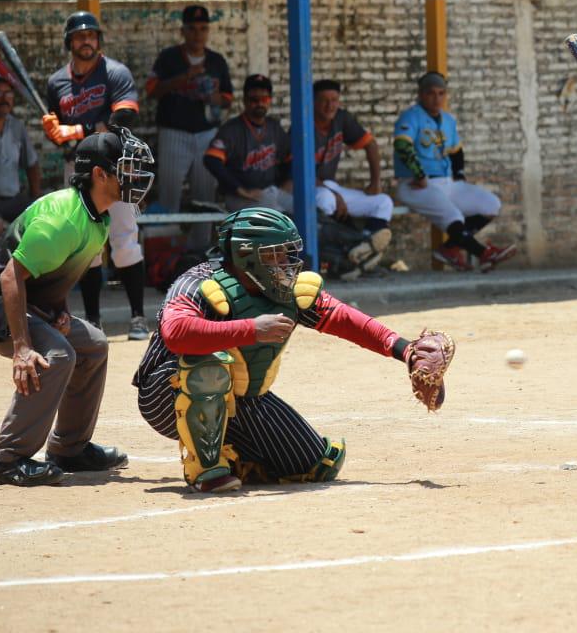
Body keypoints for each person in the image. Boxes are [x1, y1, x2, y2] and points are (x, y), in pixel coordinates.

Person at [132, 207, 451, 493]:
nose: (287, 262)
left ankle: (235, 457)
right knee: (210, 364)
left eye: (289, 252)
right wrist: (252, 330)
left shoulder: (283, 288)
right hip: (165, 391)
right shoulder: (198, 283)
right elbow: (177, 334)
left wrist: (405, 350)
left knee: (313, 465)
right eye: (277, 254)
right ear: (246, 255)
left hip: (239, 393)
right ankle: (207, 470)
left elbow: (341, 318)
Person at [0, 130, 154, 486]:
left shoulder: (99, 218)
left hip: (23, 297)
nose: (134, 178)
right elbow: (12, 277)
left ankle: (69, 449)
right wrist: (22, 347)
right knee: (57, 355)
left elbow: (58, 272)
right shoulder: (63, 218)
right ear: (99, 175)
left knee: (93, 344)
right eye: (126, 169)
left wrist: (58, 309)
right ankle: (6, 459)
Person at [43, 11, 152, 340]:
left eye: (91, 35)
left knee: (124, 239)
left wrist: (75, 128)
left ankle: (137, 317)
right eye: (79, 36)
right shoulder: (56, 83)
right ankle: (92, 319)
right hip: (77, 167)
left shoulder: (115, 72)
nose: (86, 41)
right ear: (69, 42)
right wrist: (53, 132)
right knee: (85, 245)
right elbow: (59, 128)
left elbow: (123, 116)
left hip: (116, 165)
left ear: (98, 40)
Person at [393, 72, 515, 272]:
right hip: (415, 184)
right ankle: (484, 253)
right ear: (421, 94)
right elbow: (402, 146)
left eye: (441, 93)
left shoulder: (447, 120)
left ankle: (450, 249)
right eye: (431, 93)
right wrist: (419, 175)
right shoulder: (411, 116)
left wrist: (459, 175)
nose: (437, 98)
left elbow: (456, 151)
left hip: (446, 182)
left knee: (490, 204)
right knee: (454, 215)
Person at [147, 4, 233, 249]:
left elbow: (228, 99)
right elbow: (151, 90)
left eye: (203, 29)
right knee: (169, 196)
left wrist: (214, 97)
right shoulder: (169, 58)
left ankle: (200, 251)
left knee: (205, 197)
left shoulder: (216, 61)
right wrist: (184, 77)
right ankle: (165, 254)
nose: (198, 34)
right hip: (174, 131)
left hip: (207, 133)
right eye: (192, 29)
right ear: (183, 31)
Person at [312, 79, 393, 270]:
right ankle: (339, 253)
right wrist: (335, 195)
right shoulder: (304, 123)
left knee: (383, 202)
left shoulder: (341, 118)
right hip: (310, 187)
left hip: (331, 186)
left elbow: (370, 144)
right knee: (325, 200)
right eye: (324, 100)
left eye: (334, 100)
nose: (330, 105)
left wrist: (375, 182)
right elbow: (296, 174)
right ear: (313, 102)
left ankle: (363, 249)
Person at [203, 74, 292, 213]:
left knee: (306, 210)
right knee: (275, 217)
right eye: (254, 99)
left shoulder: (274, 127)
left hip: (271, 192)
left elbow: (290, 157)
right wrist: (239, 189)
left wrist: (289, 181)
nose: (260, 103)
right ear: (244, 100)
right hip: (240, 197)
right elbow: (211, 159)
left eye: (265, 99)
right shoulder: (232, 129)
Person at [0, 72, 41, 247]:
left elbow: (32, 163)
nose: (5, 98)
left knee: (40, 220)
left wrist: (36, 196)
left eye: (9, 93)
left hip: (12, 198)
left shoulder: (16, 126)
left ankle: (26, 273)